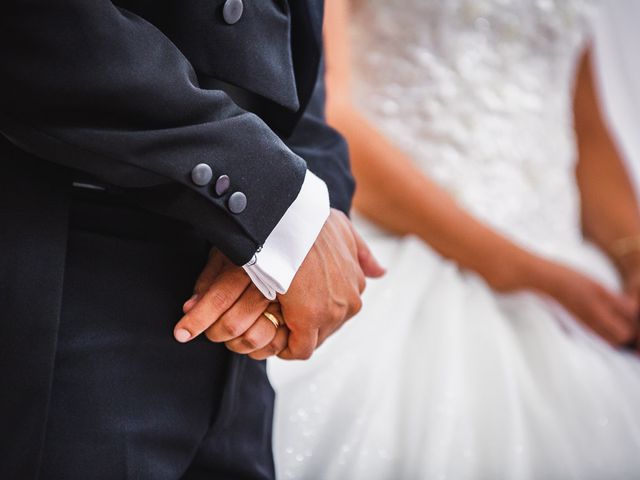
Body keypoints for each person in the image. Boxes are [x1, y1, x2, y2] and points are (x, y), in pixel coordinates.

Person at [0, 1, 383, 479]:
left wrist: (312, 213)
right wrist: (278, 206)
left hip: (248, 329)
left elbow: (298, 57)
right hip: (61, 287)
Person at [269, 1, 640, 478]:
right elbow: (324, 105)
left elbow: (586, 133)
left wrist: (633, 259)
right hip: (402, 250)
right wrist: (533, 276)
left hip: (575, 281)